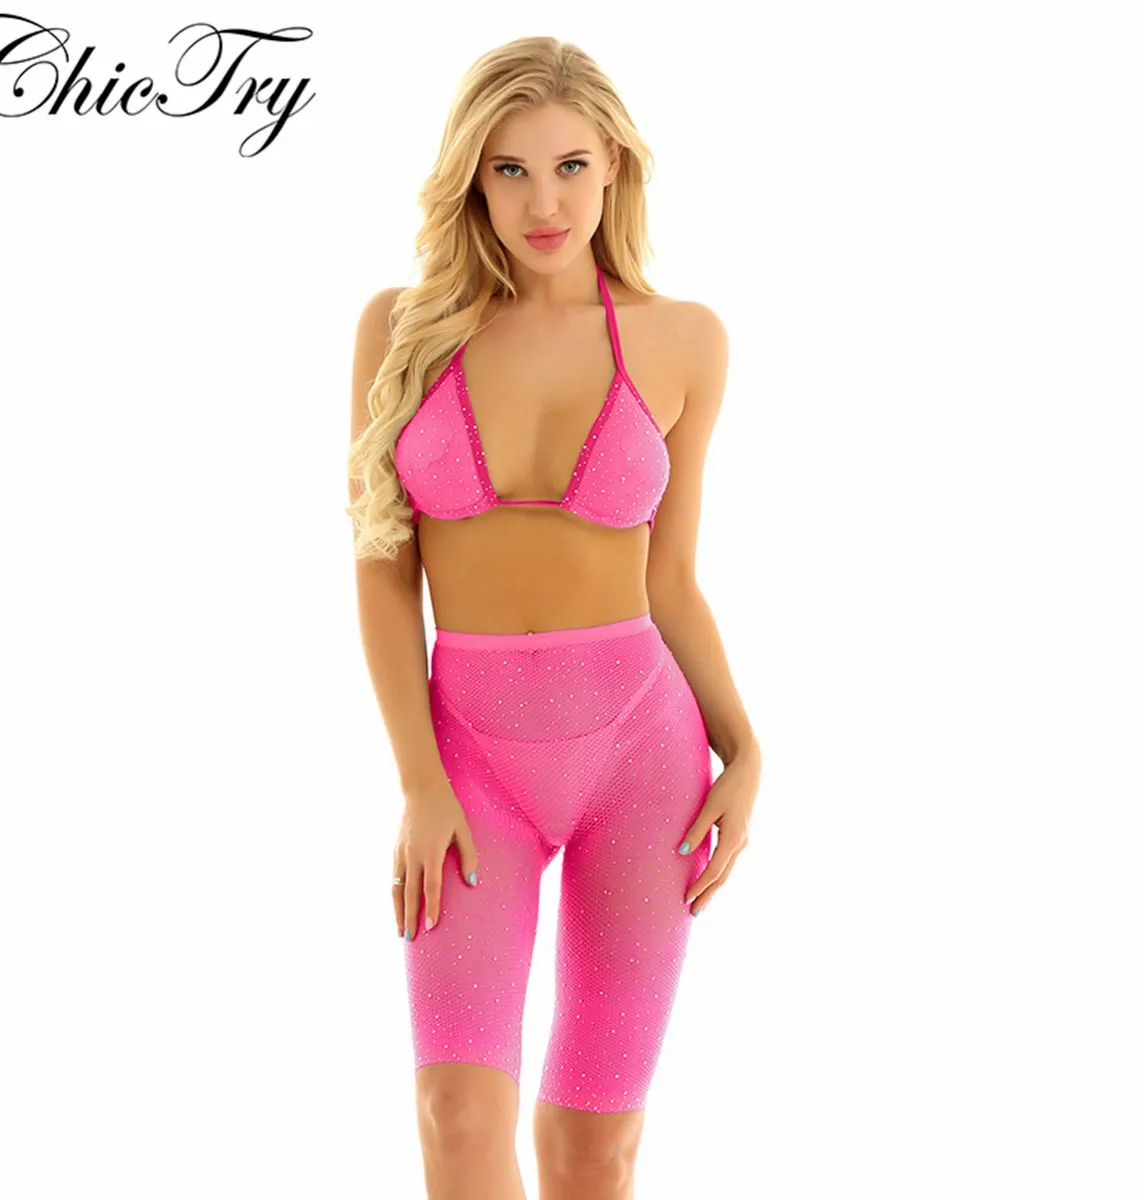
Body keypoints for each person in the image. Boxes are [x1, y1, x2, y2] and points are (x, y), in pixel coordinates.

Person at [348, 35, 762, 1200]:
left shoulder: (684, 339)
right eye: (511, 171)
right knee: (456, 1117)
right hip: (468, 763)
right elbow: (382, 570)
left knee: (595, 1150)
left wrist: (746, 747)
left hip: (645, 757)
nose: (546, 203)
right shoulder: (402, 330)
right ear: (472, 180)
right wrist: (420, 782)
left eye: (572, 166)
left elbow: (673, 580)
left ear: (616, 166)